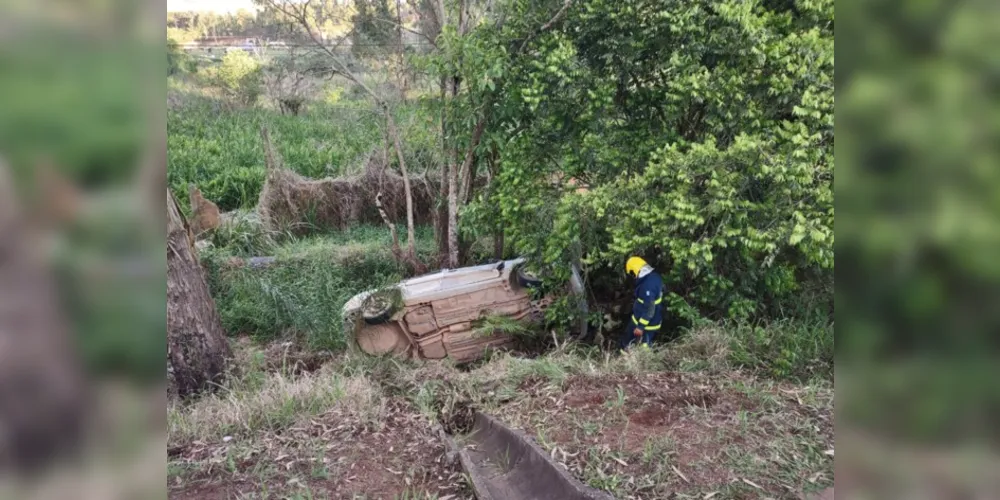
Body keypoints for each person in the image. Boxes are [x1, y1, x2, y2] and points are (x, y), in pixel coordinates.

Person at [620, 256, 664, 350]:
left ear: (634, 271)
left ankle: (636, 360)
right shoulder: (655, 277)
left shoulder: (646, 287)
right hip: (644, 318)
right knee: (627, 337)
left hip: (647, 324)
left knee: (643, 346)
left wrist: (640, 327)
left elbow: (650, 309)